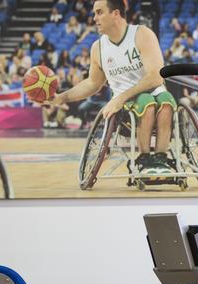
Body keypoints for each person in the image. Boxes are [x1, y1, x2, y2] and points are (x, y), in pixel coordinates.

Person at [49, 0, 176, 172]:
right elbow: (93, 83)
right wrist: (61, 97)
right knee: (146, 102)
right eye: (94, 13)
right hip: (124, 107)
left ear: (115, 13)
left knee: (166, 101)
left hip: (148, 93)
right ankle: (144, 158)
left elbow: (156, 77)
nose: (94, 18)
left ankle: (161, 158)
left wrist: (122, 97)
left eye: (99, 12)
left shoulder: (142, 34)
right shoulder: (98, 48)